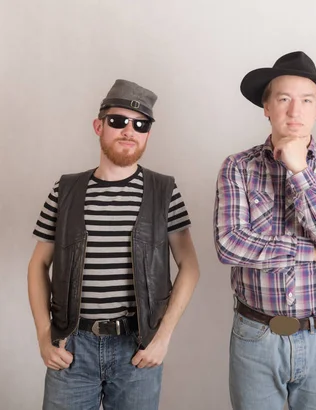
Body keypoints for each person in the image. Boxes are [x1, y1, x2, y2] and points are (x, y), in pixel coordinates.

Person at [28, 79, 200, 410]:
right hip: (72, 348)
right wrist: (43, 335)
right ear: (99, 126)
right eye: (118, 121)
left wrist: (162, 338)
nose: (129, 131)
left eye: (140, 125)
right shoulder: (65, 191)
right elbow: (38, 264)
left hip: (136, 348)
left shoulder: (164, 192)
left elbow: (190, 266)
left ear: (148, 133)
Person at [213, 51, 316, 410]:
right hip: (256, 334)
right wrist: (308, 253)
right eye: (283, 99)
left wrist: (299, 172)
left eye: (306, 100)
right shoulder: (238, 167)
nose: (295, 111)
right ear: (267, 107)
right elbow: (229, 244)